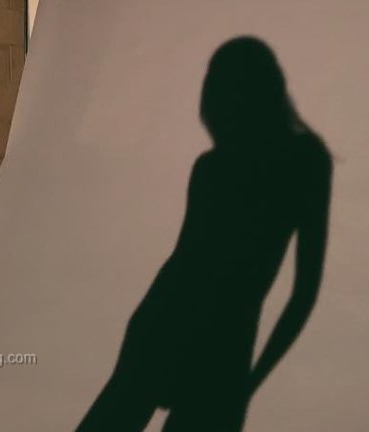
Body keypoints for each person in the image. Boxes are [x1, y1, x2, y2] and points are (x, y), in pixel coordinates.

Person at [75, 36, 332, 431]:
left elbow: (192, 264)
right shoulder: (303, 160)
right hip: (214, 343)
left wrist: (249, 381)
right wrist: (251, 380)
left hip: (177, 329)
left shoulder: (219, 167)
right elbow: (303, 292)